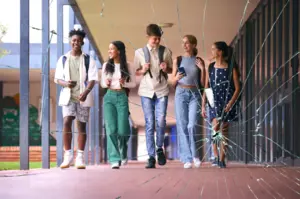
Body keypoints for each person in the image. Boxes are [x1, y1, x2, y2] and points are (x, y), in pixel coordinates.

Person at [54, 29, 98, 169]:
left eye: (79, 40)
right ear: (70, 41)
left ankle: (80, 158)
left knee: (81, 125)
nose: (76, 42)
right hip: (68, 96)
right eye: (74, 40)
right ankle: (67, 156)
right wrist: (66, 83)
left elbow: (93, 79)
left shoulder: (88, 59)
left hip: (83, 96)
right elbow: (57, 78)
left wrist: (86, 92)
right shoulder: (63, 59)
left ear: (82, 42)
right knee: (67, 120)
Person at [134, 24, 173, 168]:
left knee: (161, 120)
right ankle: (151, 156)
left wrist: (166, 68)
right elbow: (136, 72)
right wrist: (142, 69)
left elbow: (171, 70)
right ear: (147, 37)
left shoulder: (166, 51)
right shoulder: (139, 52)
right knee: (149, 123)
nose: (157, 41)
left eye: (159, 39)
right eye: (154, 39)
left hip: (162, 89)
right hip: (146, 91)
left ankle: (159, 148)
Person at [202, 41, 241, 168]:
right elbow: (207, 87)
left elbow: (237, 88)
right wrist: (203, 105)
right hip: (214, 101)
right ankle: (216, 156)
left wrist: (230, 103)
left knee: (223, 130)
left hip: (227, 102)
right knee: (215, 128)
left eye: (214, 49)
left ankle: (222, 159)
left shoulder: (231, 68)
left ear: (220, 52)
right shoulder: (211, 67)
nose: (212, 51)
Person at [171, 35, 205, 169]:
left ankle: (196, 155)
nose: (184, 45)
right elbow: (172, 82)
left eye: (187, 43)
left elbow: (203, 83)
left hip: (195, 94)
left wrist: (203, 69)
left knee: (192, 125)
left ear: (194, 45)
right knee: (182, 125)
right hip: (180, 93)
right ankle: (186, 158)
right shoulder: (178, 60)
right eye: (183, 43)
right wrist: (176, 77)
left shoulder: (198, 60)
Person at [101, 41, 136, 169]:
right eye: (109, 49)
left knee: (123, 130)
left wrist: (124, 83)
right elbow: (102, 84)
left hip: (122, 96)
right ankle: (114, 158)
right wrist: (107, 83)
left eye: (112, 49)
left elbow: (133, 84)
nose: (109, 51)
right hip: (109, 97)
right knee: (111, 129)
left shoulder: (128, 66)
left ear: (119, 51)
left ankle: (123, 148)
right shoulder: (106, 65)